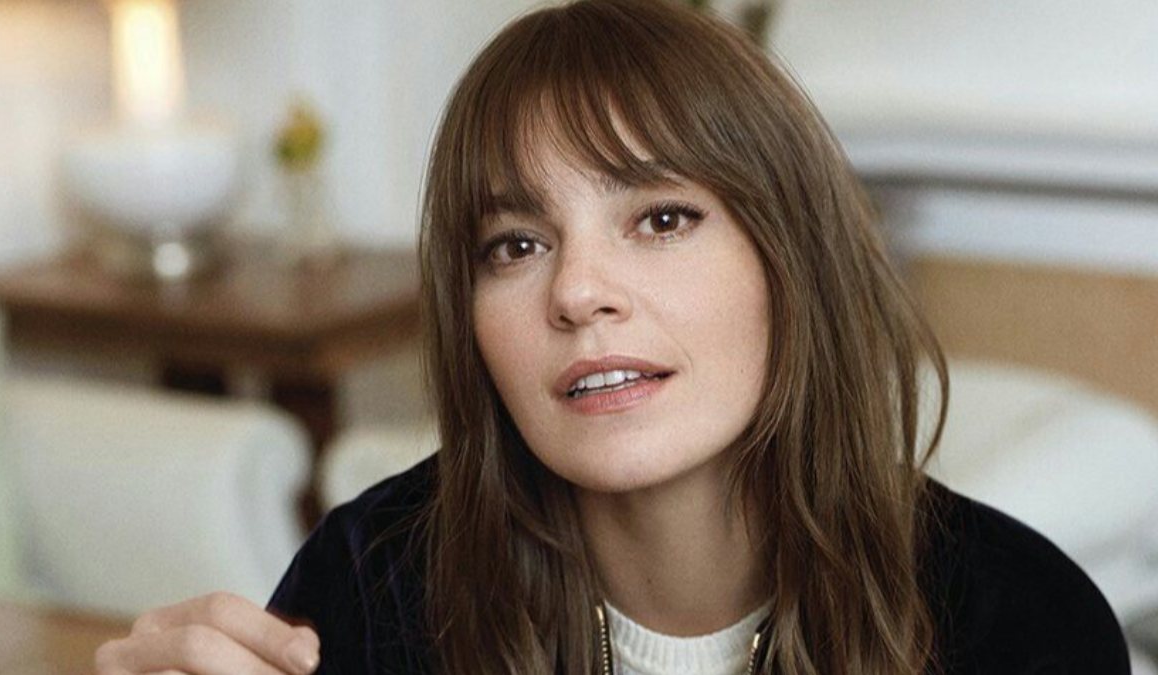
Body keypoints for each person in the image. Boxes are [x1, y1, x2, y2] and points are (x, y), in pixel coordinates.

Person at [94, 1, 1131, 673]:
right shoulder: (372, 588)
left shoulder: (1020, 625)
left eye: (662, 219)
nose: (579, 292)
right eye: (515, 244)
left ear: (791, 260)